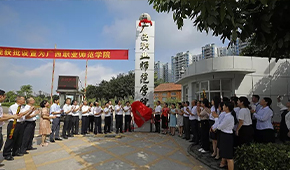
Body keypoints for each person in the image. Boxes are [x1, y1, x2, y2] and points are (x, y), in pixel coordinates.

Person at [3, 96, 34, 160]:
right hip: (14, 123)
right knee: (11, 138)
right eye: (23, 99)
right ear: (18, 100)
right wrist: (29, 110)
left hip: (21, 123)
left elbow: (24, 115)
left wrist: (31, 111)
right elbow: (18, 115)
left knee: (19, 139)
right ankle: (7, 153)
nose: (24, 100)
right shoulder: (13, 106)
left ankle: (16, 151)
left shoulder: (22, 107)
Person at [212, 101, 237, 170]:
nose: (222, 107)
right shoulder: (227, 115)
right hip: (225, 135)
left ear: (227, 107)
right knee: (225, 154)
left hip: (227, 136)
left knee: (229, 157)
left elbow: (220, 127)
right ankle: (223, 163)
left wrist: (216, 118)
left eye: (224, 106)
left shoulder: (228, 117)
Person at [0, 90, 20, 165]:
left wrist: (11, 116)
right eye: (4, 96)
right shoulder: (13, 106)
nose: (5, 97)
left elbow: (2, 115)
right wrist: (12, 117)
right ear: (1, 96)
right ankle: (7, 153)